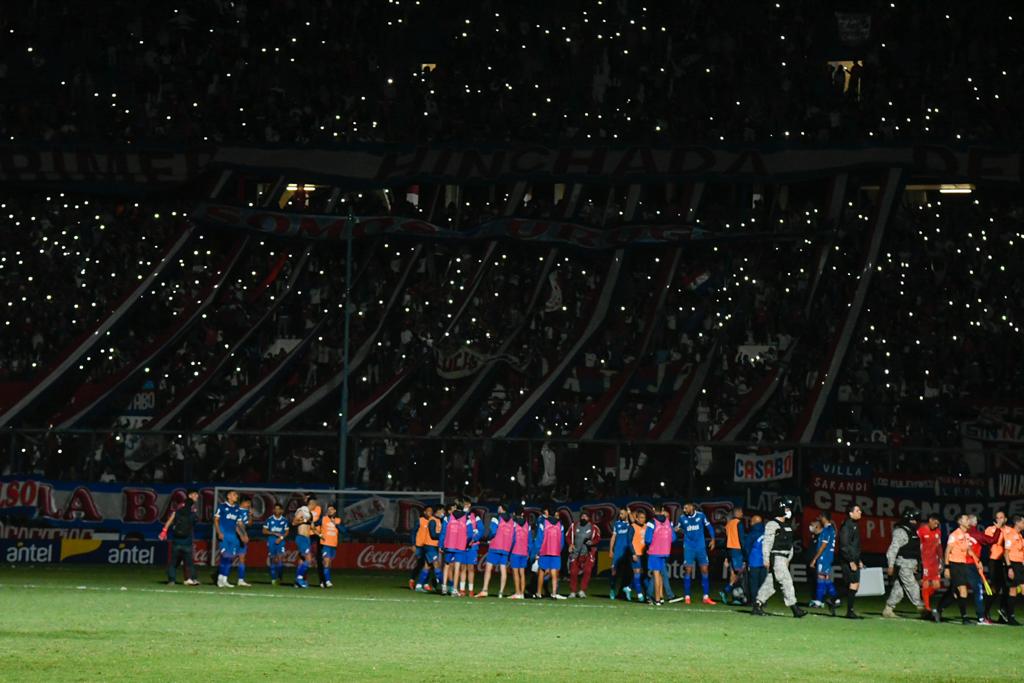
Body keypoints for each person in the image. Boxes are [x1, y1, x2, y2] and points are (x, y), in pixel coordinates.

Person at [752, 498, 806, 618]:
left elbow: (790, 545)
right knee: (787, 582)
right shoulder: (772, 524)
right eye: (786, 508)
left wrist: (788, 559)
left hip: (783, 559)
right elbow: (767, 543)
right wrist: (766, 558)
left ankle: (757, 604)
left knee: (770, 584)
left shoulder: (787, 525)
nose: (789, 510)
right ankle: (795, 608)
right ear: (780, 509)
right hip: (776, 557)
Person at [882, 508, 928, 619]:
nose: (915, 522)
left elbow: (915, 551)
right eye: (913, 520)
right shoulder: (901, 532)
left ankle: (888, 609)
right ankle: (922, 609)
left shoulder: (913, 532)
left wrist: (916, 564)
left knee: (899, 589)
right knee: (913, 586)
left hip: (910, 564)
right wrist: (890, 565)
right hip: (903, 564)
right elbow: (892, 550)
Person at [935, 514, 976, 625]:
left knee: (954, 593)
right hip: (954, 565)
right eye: (966, 519)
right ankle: (965, 618)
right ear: (960, 522)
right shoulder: (954, 535)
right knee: (963, 591)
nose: (969, 521)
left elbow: (969, 550)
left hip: (962, 565)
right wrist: (947, 567)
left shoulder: (966, 535)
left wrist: (977, 560)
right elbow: (947, 551)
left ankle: (938, 610)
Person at [676, 501, 717, 605]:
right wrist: (676, 529)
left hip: (700, 547)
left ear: (692, 507)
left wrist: (713, 539)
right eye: (683, 508)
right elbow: (677, 528)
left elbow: (709, 527)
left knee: (704, 569)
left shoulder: (701, 515)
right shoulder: (682, 518)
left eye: (686, 508)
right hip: (689, 547)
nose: (684, 510)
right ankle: (687, 596)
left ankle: (706, 597)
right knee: (688, 570)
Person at [160, 488, 200, 586]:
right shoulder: (192, 509)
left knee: (174, 561)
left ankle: (172, 580)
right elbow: (194, 522)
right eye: (194, 494)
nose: (196, 496)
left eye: (197, 495)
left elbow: (171, 519)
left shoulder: (179, 508)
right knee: (188, 561)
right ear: (189, 496)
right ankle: (190, 578)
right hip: (186, 539)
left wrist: (164, 531)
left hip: (177, 538)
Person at [477, 503, 514, 598]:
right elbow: (513, 536)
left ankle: (485, 590)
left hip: (495, 546)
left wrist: (487, 538)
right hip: (505, 548)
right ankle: (501, 593)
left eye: (499, 507)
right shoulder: (511, 521)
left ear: (501, 508)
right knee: (503, 569)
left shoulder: (496, 518)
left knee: (488, 568)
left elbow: (493, 531)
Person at [807, 510, 838, 615]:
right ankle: (835, 599)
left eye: (820, 517)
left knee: (821, 579)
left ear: (823, 518)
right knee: (826, 579)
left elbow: (823, 546)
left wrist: (815, 559)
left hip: (824, 557)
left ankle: (819, 601)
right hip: (828, 557)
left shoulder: (826, 530)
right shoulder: (830, 529)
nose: (819, 519)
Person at [214, 490, 245, 588]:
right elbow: (216, 520)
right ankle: (220, 579)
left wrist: (243, 535)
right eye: (234, 494)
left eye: (237, 494)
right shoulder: (222, 507)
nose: (236, 496)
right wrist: (219, 532)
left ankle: (225, 579)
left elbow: (238, 524)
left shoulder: (237, 509)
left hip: (233, 537)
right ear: (228, 496)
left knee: (231, 558)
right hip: (224, 535)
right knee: (225, 556)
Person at [838, 504, 864, 619]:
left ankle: (833, 599)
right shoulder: (847, 526)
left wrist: (859, 560)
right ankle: (850, 611)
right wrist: (851, 561)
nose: (860, 512)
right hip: (848, 560)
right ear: (850, 513)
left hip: (854, 559)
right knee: (853, 584)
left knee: (852, 584)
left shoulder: (854, 525)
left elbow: (854, 546)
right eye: (858, 510)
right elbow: (844, 545)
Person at [645, 505, 675, 605]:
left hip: (655, 551)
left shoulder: (651, 522)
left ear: (653, 509)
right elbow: (673, 538)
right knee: (661, 574)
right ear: (662, 510)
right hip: (665, 551)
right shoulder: (668, 522)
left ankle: (657, 600)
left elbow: (647, 539)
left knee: (656, 575)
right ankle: (661, 597)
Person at [567, 511, 600, 598]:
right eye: (582, 516)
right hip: (575, 552)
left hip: (588, 553)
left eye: (586, 516)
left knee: (587, 571)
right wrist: (570, 544)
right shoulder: (574, 526)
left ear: (589, 518)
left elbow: (598, 538)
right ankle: (573, 591)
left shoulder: (594, 527)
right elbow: (568, 536)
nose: (584, 518)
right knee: (573, 572)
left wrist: (592, 542)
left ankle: (582, 590)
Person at [983, 512, 1008, 623]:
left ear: (1005, 519)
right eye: (997, 518)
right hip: (994, 561)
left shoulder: (1009, 530)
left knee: (1007, 588)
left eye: (1001, 517)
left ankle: (1003, 613)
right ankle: (985, 612)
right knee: (995, 589)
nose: (999, 519)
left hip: (1005, 562)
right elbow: (988, 542)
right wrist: (998, 530)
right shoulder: (990, 529)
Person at [442, 500, 469, 597]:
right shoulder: (466, 517)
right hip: (460, 546)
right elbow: (469, 533)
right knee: (457, 567)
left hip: (449, 545)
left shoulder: (448, 517)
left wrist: (441, 545)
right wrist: (466, 542)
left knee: (447, 566)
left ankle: (444, 587)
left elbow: (443, 532)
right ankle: (454, 589)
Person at [1000, 515, 1024, 625]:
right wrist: (1009, 567)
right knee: (1013, 590)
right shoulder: (1011, 535)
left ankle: (1005, 610)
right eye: (1023, 522)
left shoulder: (1020, 536)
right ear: (1017, 523)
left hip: (1019, 565)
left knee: (1019, 589)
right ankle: (1011, 617)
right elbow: (1006, 552)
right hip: (1012, 564)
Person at [538, 508, 566, 599]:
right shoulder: (560, 525)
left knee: (542, 571)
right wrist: (558, 550)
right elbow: (562, 541)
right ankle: (554, 594)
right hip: (555, 552)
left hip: (544, 551)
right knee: (554, 573)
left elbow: (539, 538)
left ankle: (538, 593)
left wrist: (537, 551)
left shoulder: (543, 523)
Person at [414, 506, 443, 592]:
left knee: (427, 566)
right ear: (437, 511)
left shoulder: (437, 520)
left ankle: (419, 586)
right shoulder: (433, 521)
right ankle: (444, 585)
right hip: (430, 546)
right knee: (436, 565)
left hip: (432, 546)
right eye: (442, 511)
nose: (443, 513)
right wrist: (443, 536)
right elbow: (433, 535)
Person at [918, 514, 943, 612]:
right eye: (935, 523)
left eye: (938, 524)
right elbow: (917, 546)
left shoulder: (938, 532)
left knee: (937, 586)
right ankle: (927, 606)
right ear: (930, 520)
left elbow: (939, 547)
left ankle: (925, 597)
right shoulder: (921, 531)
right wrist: (918, 560)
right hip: (925, 561)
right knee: (926, 584)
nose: (936, 525)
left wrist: (941, 560)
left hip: (934, 562)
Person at [721, 506, 745, 605]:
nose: (742, 514)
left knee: (733, 574)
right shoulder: (739, 523)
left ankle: (736, 598)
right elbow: (741, 539)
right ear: (738, 513)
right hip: (737, 550)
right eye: (741, 512)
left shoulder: (728, 524)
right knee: (740, 573)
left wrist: (726, 557)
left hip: (730, 550)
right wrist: (745, 553)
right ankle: (727, 590)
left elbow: (725, 541)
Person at [608, 507, 633, 600]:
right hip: (618, 552)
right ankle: (612, 590)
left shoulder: (631, 524)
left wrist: (630, 513)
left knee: (627, 573)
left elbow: (634, 521)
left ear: (627, 513)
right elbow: (613, 537)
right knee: (614, 572)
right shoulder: (617, 524)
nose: (620, 515)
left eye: (622, 513)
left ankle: (623, 592)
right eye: (620, 513)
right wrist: (611, 550)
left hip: (627, 552)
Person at [625, 508, 648, 602]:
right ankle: (639, 595)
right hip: (636, 554)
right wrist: (633, 554)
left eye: (644, 518)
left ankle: (629, 588)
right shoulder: (632, 527)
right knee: (637, 573)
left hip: (644, 554)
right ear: (637, 518)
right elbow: (629, 542)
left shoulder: (646, 526)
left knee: (640, 575)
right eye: (641, 518)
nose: (643, 519)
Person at [410, 505, 435, 590]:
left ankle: (425, 584)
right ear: (424, 512)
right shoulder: (420, 520)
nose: (430, 512)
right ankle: (412, 579)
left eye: (431, 511)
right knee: (420, 564)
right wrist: (413, 544)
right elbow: (413, 532)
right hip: (420, 546)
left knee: (428, 564)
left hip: (429, 546)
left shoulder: (433, 521)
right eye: (428, 511)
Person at [263, 503, 289, 586]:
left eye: (279, 509)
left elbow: (287, 532)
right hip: (271, 541)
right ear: (273, 510)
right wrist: (273, 533)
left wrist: (280, 538)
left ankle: (280, 576)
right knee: (272, 559)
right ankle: (274, 578)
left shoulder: (284, 520)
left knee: (280, 559)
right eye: (275, 509)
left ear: (282, 510)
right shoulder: (269, 519)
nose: (277, 510)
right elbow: (264, 531)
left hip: (281, 541)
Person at [319, 503, 343, 588]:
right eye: (328, 510)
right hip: (325, 544)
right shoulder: (323, 519)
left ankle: (323, 581)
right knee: (326, 562)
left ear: (335, 511)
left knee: (329, 564)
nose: (330, 511)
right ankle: (328, 581)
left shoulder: (338, 520)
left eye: (331, 509)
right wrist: (319, 534)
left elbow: (344, 530)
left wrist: (336, 524)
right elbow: (314, 525)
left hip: (333, 545)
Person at [508, 510, 531, 599]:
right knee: (522, 573)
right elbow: (530, 540)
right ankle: (521, 593)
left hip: (515, 551)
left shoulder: (513, 524)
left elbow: (512, 539)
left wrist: (510, 550)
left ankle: (517, 592)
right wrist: (528, 552)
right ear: (522, 514)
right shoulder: (527, 525)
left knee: (515, 572)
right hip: (524, 552)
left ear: (514, 514)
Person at [744, 514, 766, 608]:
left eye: (751, 521)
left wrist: (746, 559)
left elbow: (746, 547)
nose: (750, 523)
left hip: (754, 561)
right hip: (765, 562)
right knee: (763, 583)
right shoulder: (767, 532)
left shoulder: (752, 533)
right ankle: (763, 602)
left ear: (754, 522)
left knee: (753, 583)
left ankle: (754, 602)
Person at [292, 501, 314, 588]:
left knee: (302, 560)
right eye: (315, 504)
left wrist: (319, 534)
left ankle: (297, 582)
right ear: (311, 503)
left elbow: (312, 527)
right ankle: (299, 578)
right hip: (301, 537)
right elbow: (294, 522)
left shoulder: (310, 514)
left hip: (307, 539)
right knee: (308, 559)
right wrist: (304, 520)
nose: (315, 506)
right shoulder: (301, 511)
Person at [234, 496, 253, 587]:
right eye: (247, 503)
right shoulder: (236, 510)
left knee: (242, 558)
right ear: (243, 502)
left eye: (249, 503)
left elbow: (249, 524)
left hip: (242, 536)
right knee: (229, 557)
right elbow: (238, 525)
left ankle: (240, 580)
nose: (249, 505)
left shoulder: (247, 512)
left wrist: (250, 515)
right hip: (235, 536)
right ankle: (222, 577)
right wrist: (243, 535)